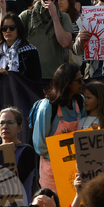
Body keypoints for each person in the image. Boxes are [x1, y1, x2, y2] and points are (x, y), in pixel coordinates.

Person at [32, 63, 85, 191]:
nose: (83, 83)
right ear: (67, 83)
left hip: (76, 169)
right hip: (53, 169)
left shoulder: (80, 101)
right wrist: (60, 157)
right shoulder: (47, 107)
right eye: (79, 80)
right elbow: (39, 144)